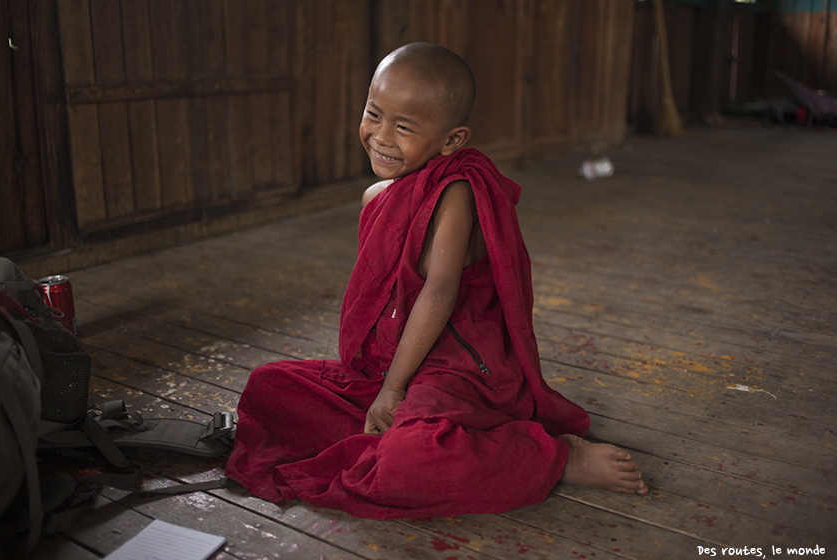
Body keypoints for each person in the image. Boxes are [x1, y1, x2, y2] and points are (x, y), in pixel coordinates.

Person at [225, 42, 647, 519]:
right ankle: (407, 430)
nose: (381, 137)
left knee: (410, 463)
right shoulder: (376, 197)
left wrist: (394, 391)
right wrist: (384, 384)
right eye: (373, 114)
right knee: (269, 386)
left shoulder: (457, 195)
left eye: (404, 127)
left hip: (459, 372)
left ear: (451, 140)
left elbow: (439, 292)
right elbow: (384, 304)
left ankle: (555, 456)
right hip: (393, 365)